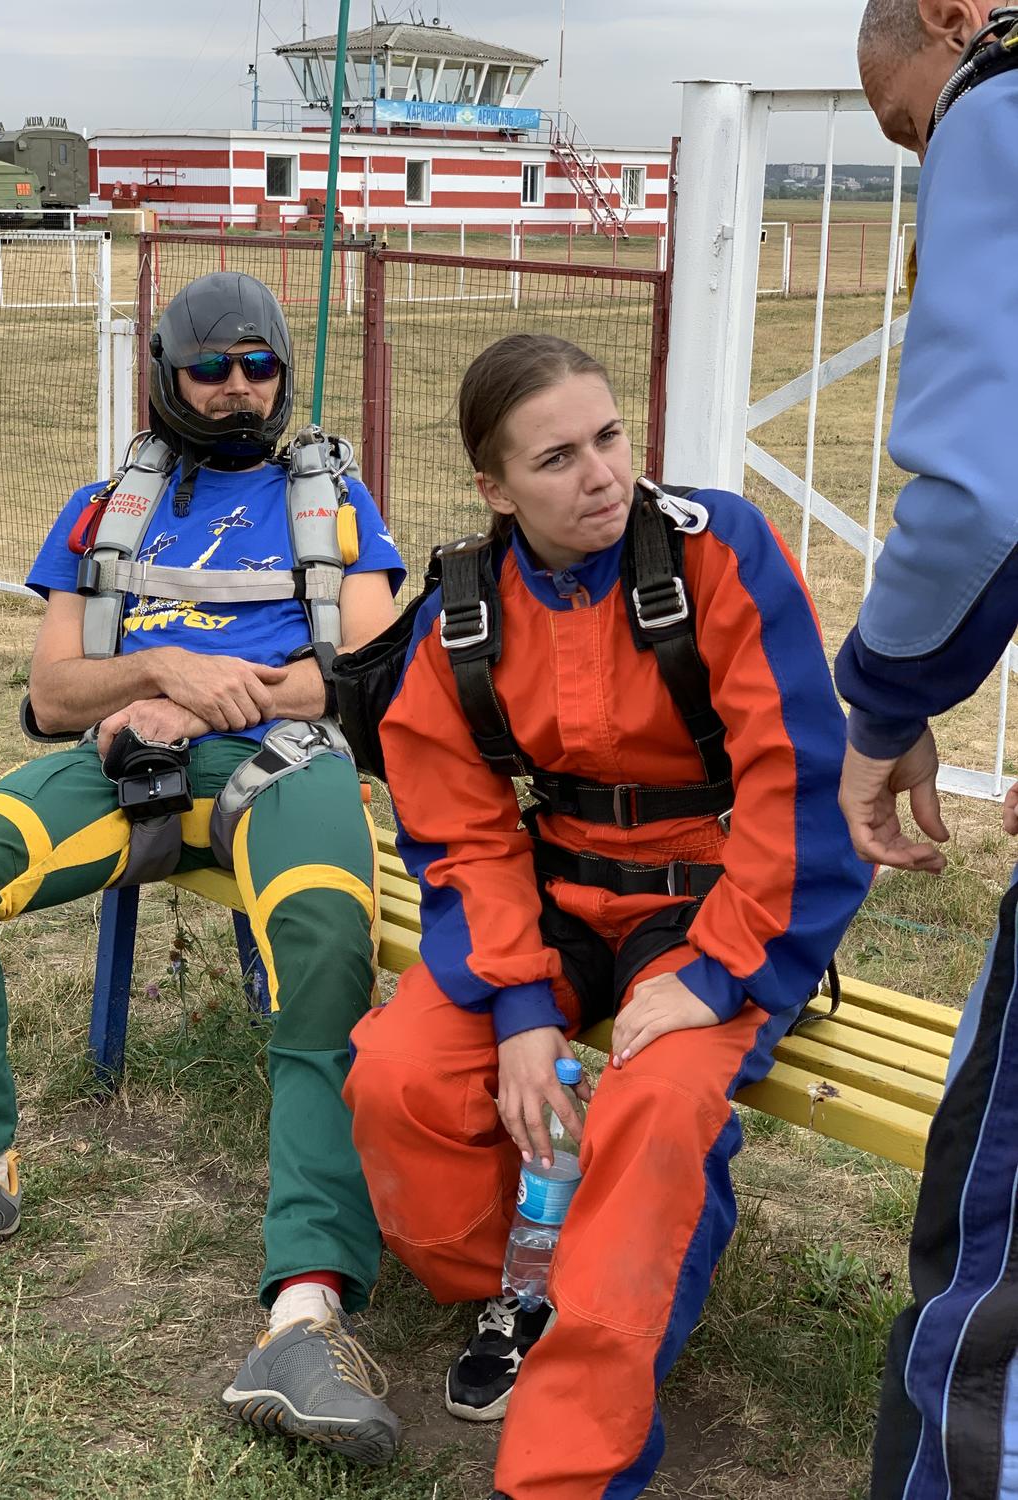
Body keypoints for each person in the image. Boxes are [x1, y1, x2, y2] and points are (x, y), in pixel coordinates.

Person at [343, 333, 871, 1500]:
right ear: (494, 489)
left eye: (611, 437)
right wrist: (520, 1009)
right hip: (556, 895)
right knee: (399, 1078)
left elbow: (798, 780)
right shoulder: (464, 610)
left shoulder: (715, 552)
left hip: (717, 901)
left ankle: (571, 1466)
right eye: (557, 458)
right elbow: (459, 826)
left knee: (656, 1109)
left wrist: (718, 974)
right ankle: (533, 1286)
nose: (602, 476)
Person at [0, 271, 407, 1466]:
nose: (237, 388)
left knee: (327, 939)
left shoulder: (333, 501)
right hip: (131, 762)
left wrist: (232, 694)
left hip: (290, 759)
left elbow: (375, 677)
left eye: (258, 365)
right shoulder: (104, 508)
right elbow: (52, 692)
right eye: (209, 368)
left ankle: (306, 1312)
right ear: (166, 376)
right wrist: (158, 675)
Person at [835, 4, 1018, 1496]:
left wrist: (882, 709)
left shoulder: (1000, 99)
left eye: (910, 124)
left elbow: (977, 495)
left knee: (993, 1260)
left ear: (952, 15)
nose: (924, 155)